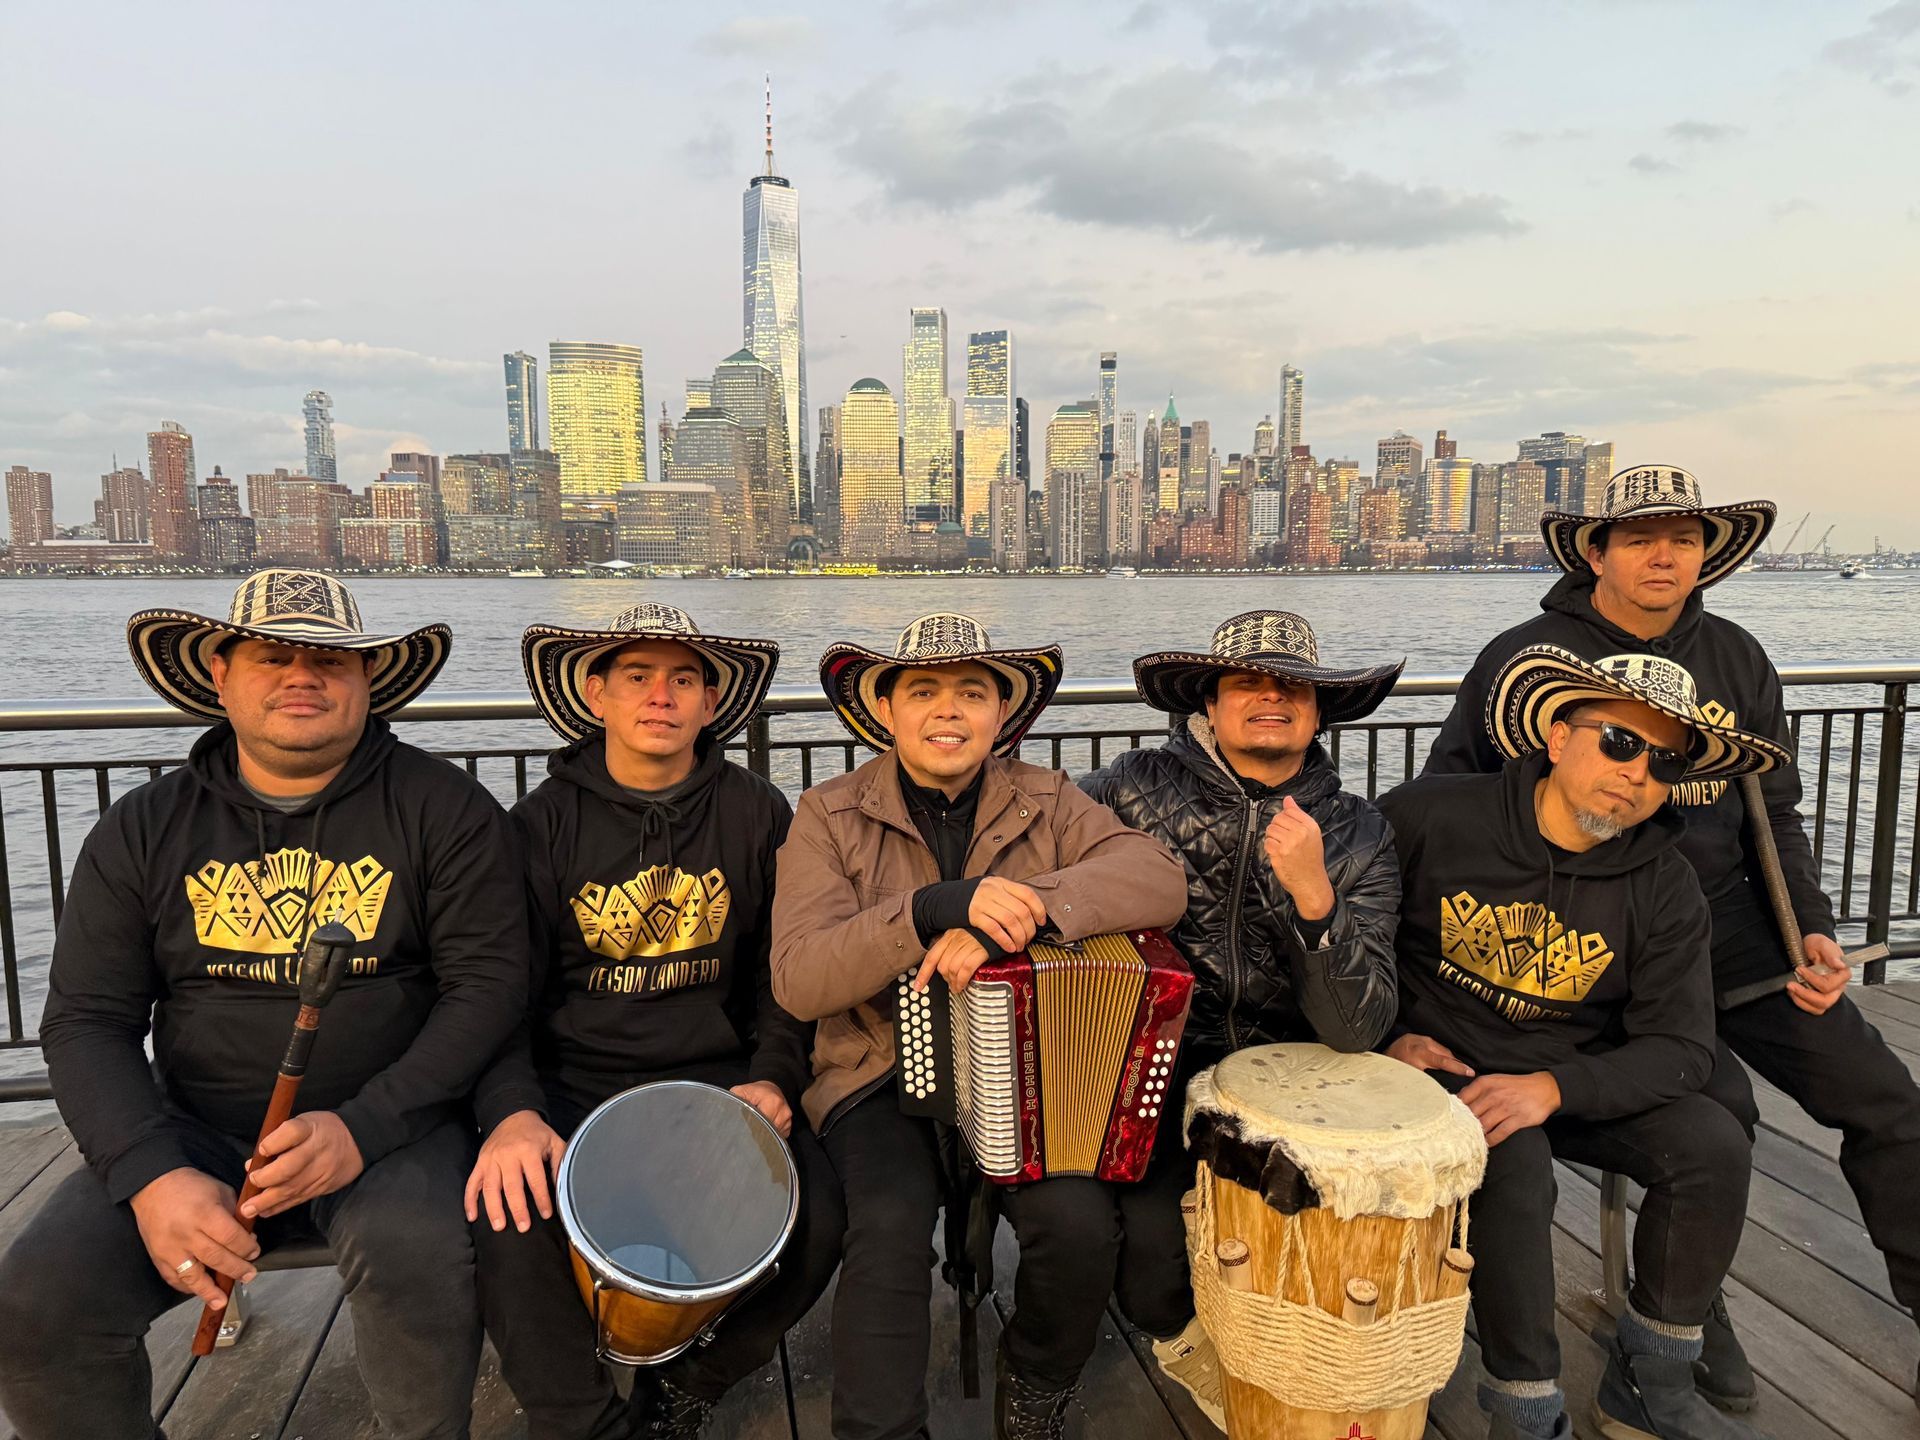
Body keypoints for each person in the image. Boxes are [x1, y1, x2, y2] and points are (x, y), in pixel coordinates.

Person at [1424, 463, 1920, 1407]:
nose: (1664, 555)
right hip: (1593, 941)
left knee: (1886, 1099)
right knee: (1717, 1109)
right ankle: (1686, 1305)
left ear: (1706, 555)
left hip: (1734, 927)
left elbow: (1776, 813)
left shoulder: (1737, 656)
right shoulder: (1525, 658)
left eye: (1684, 539)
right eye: (1642, 537)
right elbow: (1453, 799)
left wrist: (1810, 928)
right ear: (1597, 552)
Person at [0, 569, 530, 1440]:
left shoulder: (447, 810)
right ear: (221, 674)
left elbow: (487, 988)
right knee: (35, 1301)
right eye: (273, 657)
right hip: (193, 1129)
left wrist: (362, 1127)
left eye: (330, 660)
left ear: (367, 680)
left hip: (393, 1126)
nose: (302, 677)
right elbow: (87, 1020)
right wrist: (151, 1173)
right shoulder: (142, 828)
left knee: (417, 1255)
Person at [772, 613, 1189, 1440]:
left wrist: (1025, 912)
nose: (948, 710)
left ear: (1002, 714)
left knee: (1076, 1224)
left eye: (972, 692)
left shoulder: (1050, 797)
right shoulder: (826, 813)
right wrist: (927, 911)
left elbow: (1157, 878)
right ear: (885, 710)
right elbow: (801, 979)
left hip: (1030, 1069)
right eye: (922, 691)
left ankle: (1035, 1382)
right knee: (887, 1224)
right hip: (881, 1066)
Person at [1383, 644, 1791, 1440]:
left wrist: (1556, 1089)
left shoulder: (1666, 884)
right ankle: (1525, 1406)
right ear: (1558, 736)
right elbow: (1352, 939)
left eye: (1664, 761)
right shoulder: (1428, 817)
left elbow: (1681, 1045)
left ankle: (1649, 1379)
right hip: (1441, 1070)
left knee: (1712, 1145)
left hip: (1566, 1076)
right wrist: (1389, 1038)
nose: (1636, 773)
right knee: (1511, 1155)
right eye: (1618, 741)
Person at [464, 603, 844, 1440]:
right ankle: (585, 1423)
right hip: (574, 1084)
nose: (660, 696)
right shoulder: (538, 827)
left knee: (817, 1217)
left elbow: (779, 973)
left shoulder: (758, 813)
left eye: (683, 679)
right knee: (511, 1219)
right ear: (596, 694)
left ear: (711, 702)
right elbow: (499, 993)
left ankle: (687, 1390)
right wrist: (512, 1109)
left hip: (718, 1081)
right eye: (636, 676)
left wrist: (775, 1076)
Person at [1077, 608, 1405, 1424]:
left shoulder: (1358, 831)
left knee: (1329, 1241)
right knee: (1150, 1267)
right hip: (1155, 1059)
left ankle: (1293, 1375)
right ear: (1210, 704)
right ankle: (1188, 1343)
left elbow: (1358, 1028)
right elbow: (1030, 849)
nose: (1271, 697)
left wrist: (1315, 896)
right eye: (1247, 682)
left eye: (1294, 686)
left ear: (1319, 711)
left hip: (1292, 1072)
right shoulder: (1127, 788)